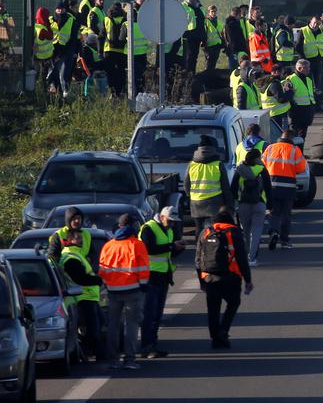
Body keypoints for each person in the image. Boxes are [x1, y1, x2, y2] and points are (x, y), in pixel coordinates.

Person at [98, 212, 150, 370]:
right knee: (131, 325)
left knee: (113, 325)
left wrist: (109, 284)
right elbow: (144, 269)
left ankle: (113, 360)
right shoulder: (136, 244)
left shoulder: (109, 245)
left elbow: (102, 270)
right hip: (133, 290)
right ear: (133, 226)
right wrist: (143, 285)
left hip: (113, 291)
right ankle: (130, 360)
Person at [196, 207, 253, 350]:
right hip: (231, 277)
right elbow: (241, 259)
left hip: (209, 277)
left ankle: (215, 339)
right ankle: (223, 331)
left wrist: (201, 281)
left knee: (213, 309)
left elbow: (197, 260)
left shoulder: (205, 232)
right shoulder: (234, 232)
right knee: (233, 303)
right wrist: (248, 280)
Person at [51, 207, 103, 362]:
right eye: (74, 218)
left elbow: (93, 255)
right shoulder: (58, 236)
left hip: (87, 289)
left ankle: (88, 351)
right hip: (74, 289)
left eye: (79, 218)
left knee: (96, 323)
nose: (77, 221)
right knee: (89, 325)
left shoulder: (86, 234)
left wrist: (91, 268)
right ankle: (93, 353)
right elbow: (52, 257)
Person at [139, 206, 183, 359]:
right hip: (150, 276)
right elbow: (149, 248)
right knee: (149, 314)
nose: (172, 224)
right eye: (170, 221)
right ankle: (146, 346)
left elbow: (167, 253)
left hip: (163, 276)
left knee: (157, 314)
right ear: (162, 217)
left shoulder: (168, 230)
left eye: (174, 222)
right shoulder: (148, 228)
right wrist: (171, 246)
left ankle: (152, 345)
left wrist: (178, 249)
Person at [262, 128, 308, 250]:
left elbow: (263, 165)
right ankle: (284, 240)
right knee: (286, 215)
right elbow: (301, 168)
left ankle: (273, 232)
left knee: (273, 213)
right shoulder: (295, 150)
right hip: (288, 188)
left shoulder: (270, 148)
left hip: (272, 186)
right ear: (292, 139)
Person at [186, 136, 234, 240]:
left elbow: (186, 186)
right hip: (214, 203)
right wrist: (229, 203)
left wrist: (191, 196)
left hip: (196, 203)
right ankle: (212, 249)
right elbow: (225, 186)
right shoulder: (218, 164)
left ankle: (199, 249)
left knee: (199, 229)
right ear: (213, 148)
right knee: (214, 230)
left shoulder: (192, 165)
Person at [233, 147, 270, 264]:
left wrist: (234, 203)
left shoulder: (239, 170)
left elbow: (233, 188)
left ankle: (245, 255)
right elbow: (268, 188)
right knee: (256, 231)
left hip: (243, 204)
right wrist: (270, 205)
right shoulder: (262, 170)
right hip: (259, 204)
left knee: (246, 232)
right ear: (257, 158)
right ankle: (252, 258)